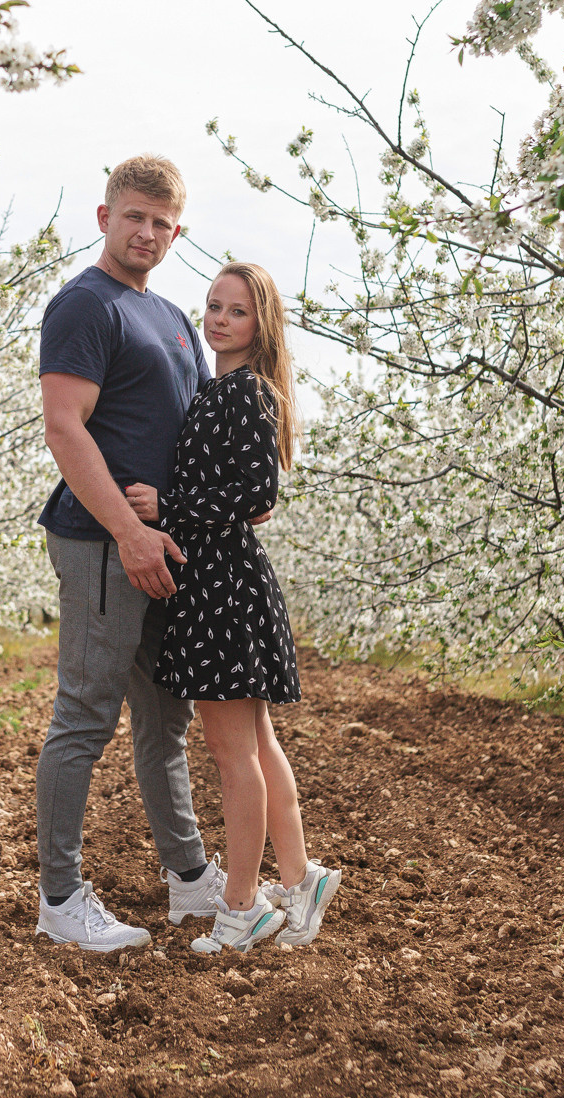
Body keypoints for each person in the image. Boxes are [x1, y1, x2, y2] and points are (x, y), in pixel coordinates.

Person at [32, 155, 241, 950]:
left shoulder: (175, 319)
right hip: (102, 542)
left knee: (164, 721)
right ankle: (60, 898)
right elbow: (64, 426)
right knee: (85, 715)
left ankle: (189, 879)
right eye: (134, 217)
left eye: (161, 222)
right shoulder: (85, 305)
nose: (146, 232)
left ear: (176, 232)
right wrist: (127, 531)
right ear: (105, 217)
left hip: (162, 547)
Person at [124, 261, 343, 953]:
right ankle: (300, 877)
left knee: (231, 752)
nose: (219, 319)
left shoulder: (245, 391)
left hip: (223, 586)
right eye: (214, 306)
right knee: (255, 743)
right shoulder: (221, 389)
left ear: (260, 323)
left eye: (237, 311)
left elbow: (255, 495)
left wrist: (167, 508)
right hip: (221, 582)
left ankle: (243, 906)